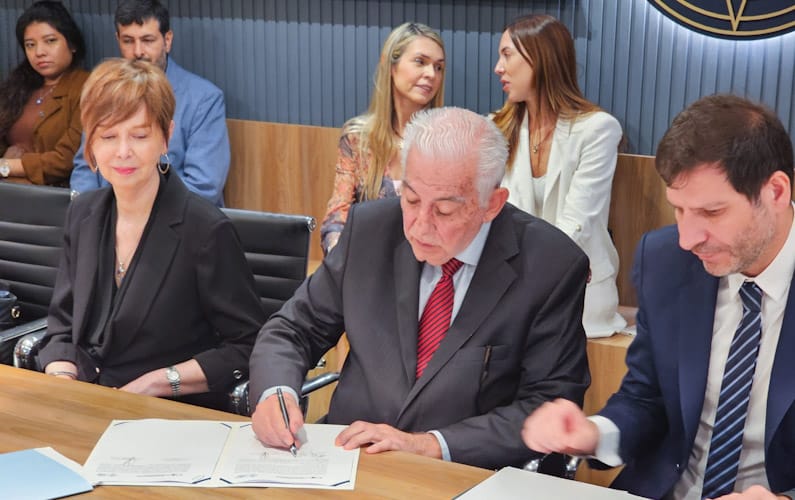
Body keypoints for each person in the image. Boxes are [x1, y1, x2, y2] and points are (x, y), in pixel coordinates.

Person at [249, 107, 590, 470]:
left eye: (444, 211)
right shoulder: (370, 230)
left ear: (492, 204)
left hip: (461, 474)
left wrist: (429, 445)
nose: (419, 226)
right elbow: (293, 329)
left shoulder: (550, 265)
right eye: (411, 200)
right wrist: (276, 392)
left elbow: (548, 405)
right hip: (347, 460)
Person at [521, 95, 795, 499]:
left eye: (712, 213)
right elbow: (646, 397)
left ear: (776, 191)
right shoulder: (667, 261)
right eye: (679, 210)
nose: (688, 238)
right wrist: (594, 433)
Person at [38, 58, 266, 410]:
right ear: (90, 143)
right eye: (108, 136)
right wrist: (62, 378)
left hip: (167, 412)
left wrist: (159, 383)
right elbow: (63, 326)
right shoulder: (83, 214)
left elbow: (248, 345)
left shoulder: (204, 229)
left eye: (140, 136)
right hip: (87, 403)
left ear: (166, 137)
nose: (123, 152)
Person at [492, 14, 625, 338]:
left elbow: (578, 222)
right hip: (509, 294)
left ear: (540, 58)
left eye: (507, 55)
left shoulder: (597, 129)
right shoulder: (496, 128)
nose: (498, 68)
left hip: (580, 296)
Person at [69, 0, 230, 206]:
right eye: (128, 41)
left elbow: (203, 187)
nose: (138, 52)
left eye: (147, 40)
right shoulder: (103, 93)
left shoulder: (203, 99)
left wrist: (133, 210)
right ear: (118, 40)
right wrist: (91, 212)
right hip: (107, 213)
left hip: (176, 216)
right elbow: (86, 168)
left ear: (167, 40)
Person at [319, 22, 445, 255]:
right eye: (420, 62)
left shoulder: (447, 141)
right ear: (391, 66)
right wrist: (338, 251)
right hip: (367, 259)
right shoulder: (357, 138)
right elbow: (338, 213)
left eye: (438, 67)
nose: (431, 74)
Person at [0, 1, 88, 186]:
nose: (39, 52)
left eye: (50, 41)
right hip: (8, 189)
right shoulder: (17, 86)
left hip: (51, 195)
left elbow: (66, 160)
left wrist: (7, 166)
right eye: (30, 45)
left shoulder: (86, 87)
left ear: (72, 44)